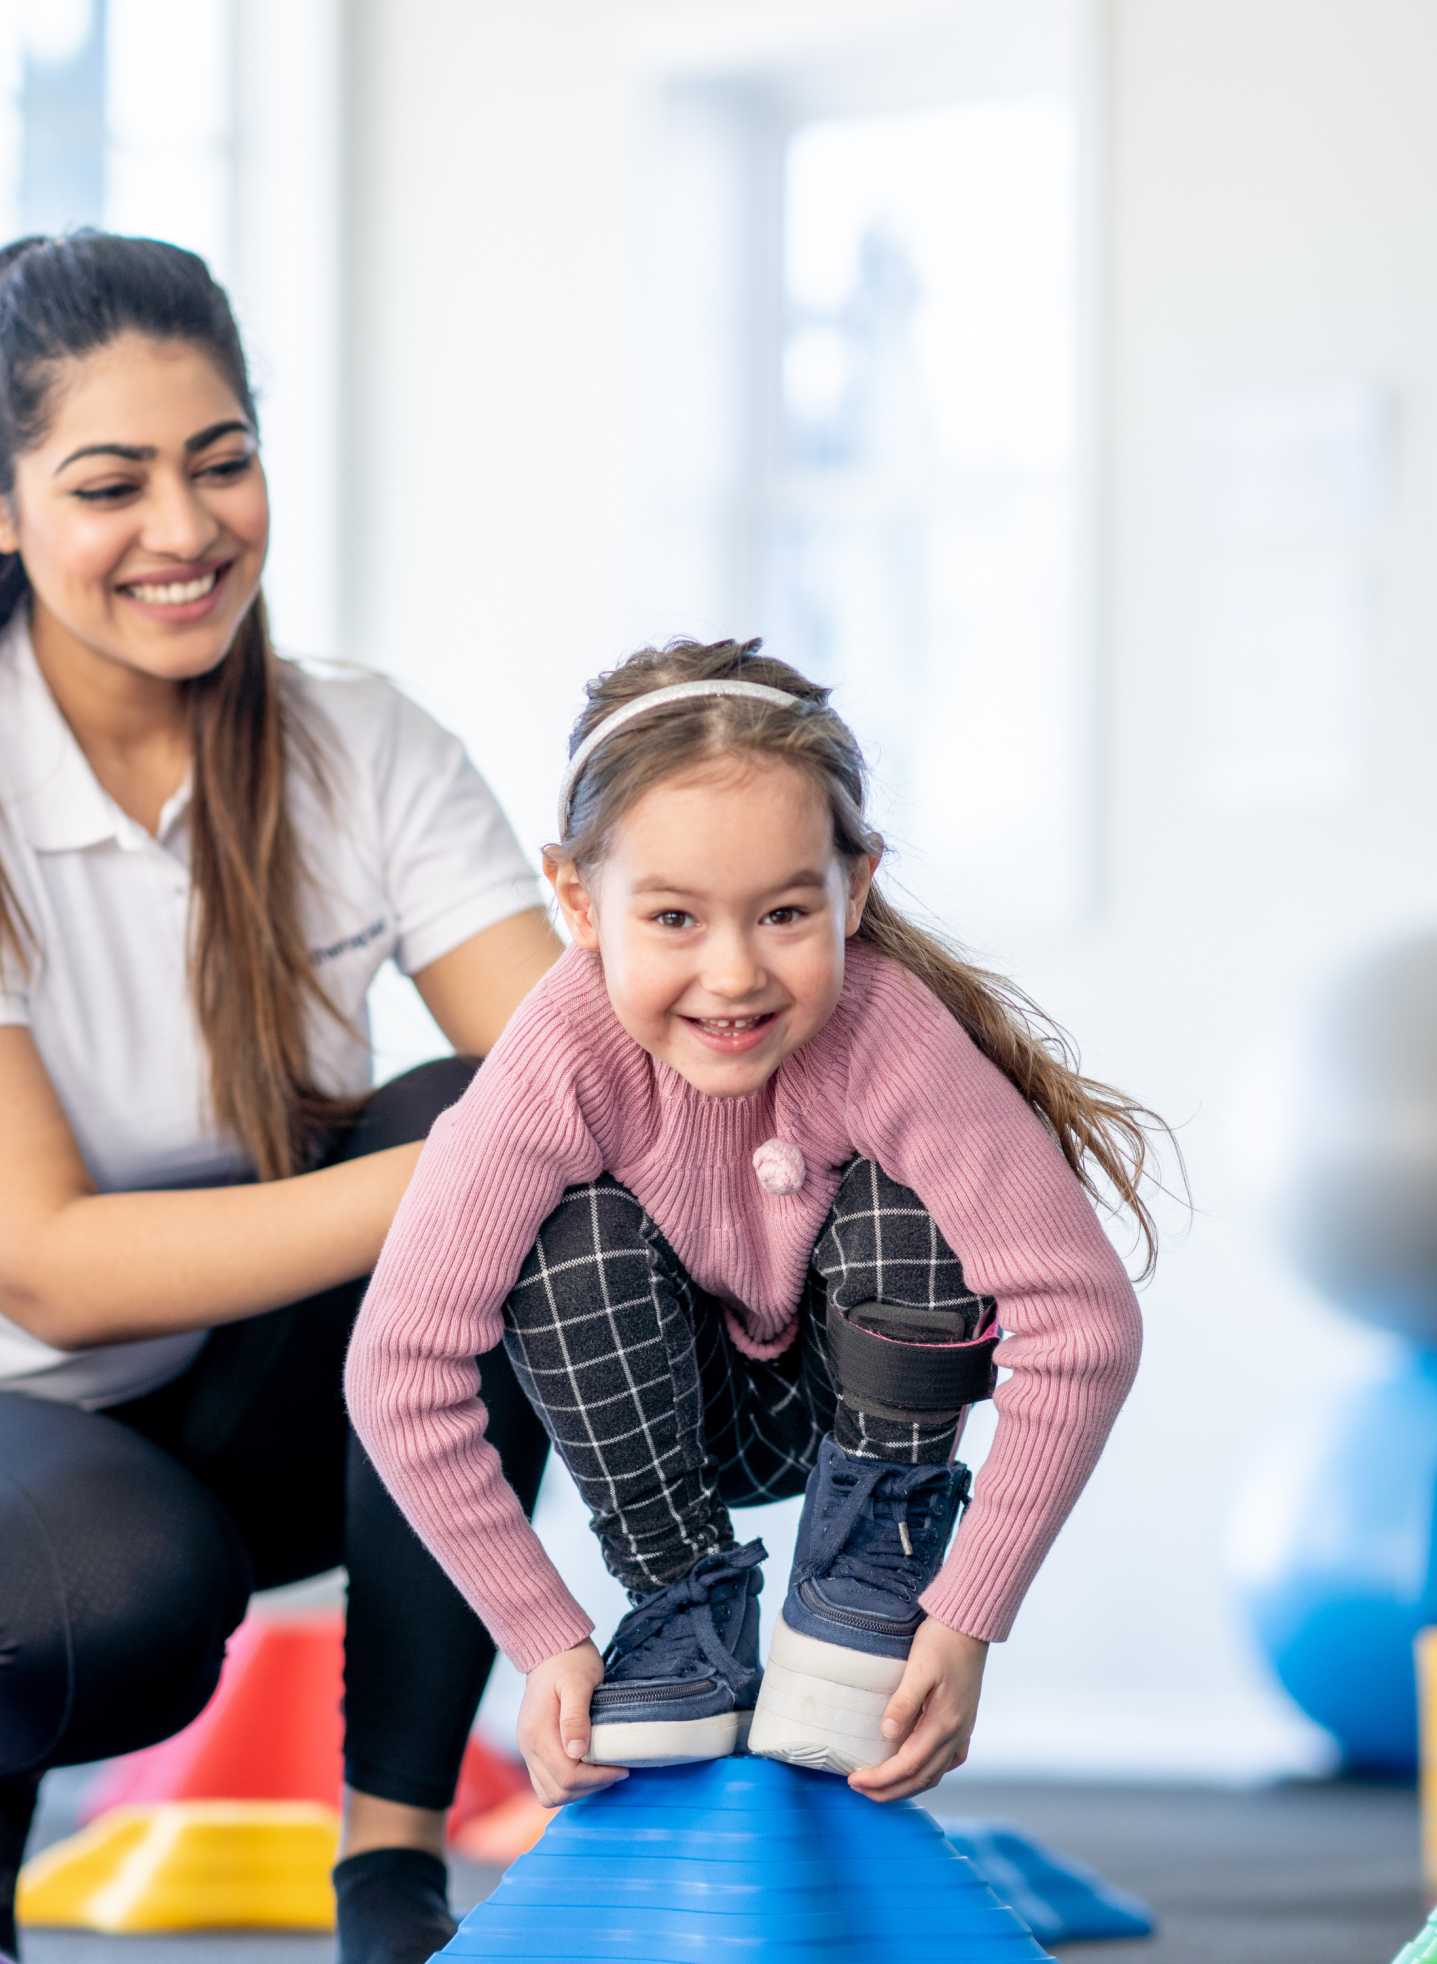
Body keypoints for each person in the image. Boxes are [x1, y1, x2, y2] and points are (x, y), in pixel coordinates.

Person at [0, 232, 560, 1960]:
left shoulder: (365, 744)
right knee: (116, 1599)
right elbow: (42, 1265)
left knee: (495, 1128)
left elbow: (575, 1077)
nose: (184, 530)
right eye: (111, 486)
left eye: (220, 462)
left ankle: (392, 1872)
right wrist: (475, 1174)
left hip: (228, 1412)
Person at [346, 639, 1163, 1813]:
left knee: (909, 1190)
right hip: (656, 1417)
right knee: (565, 1223)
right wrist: (545, 1635)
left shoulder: (890, 1033)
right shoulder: (558, 1057)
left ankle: (865, 1582)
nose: (732, 974)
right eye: (674, 916)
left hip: (860, 1403)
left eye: (784, 912)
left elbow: (1082, 1324)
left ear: (854, 888)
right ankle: (681, 1597)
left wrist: (965, 1612)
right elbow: (399, 1369)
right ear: (577, 900)